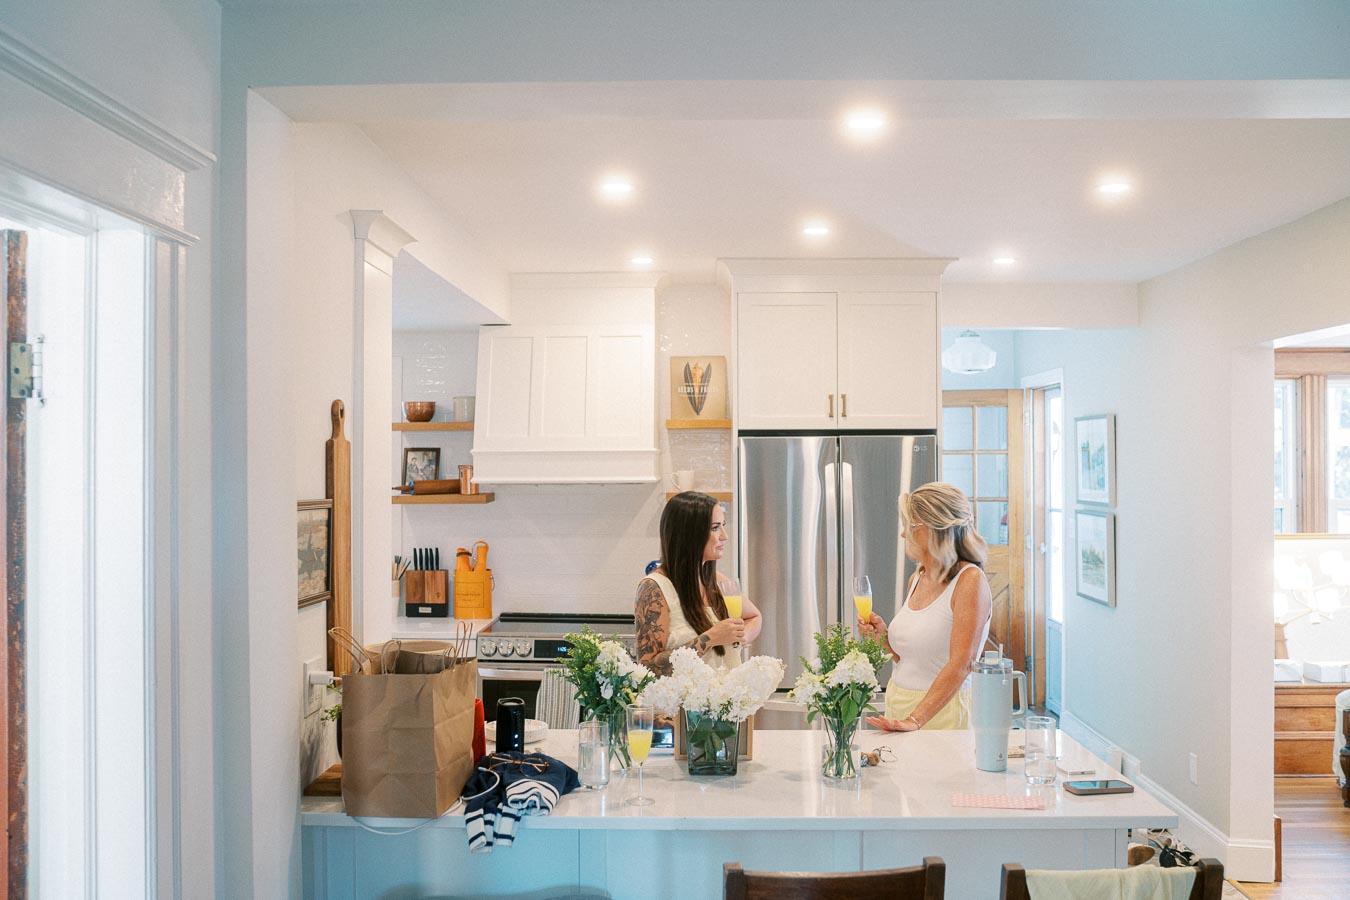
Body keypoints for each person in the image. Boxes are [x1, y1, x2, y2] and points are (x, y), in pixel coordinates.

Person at [859, 482, 993, 731]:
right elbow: (909, 660)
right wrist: (883, 639)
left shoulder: (969, 581)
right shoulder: (918, 577)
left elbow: (962, 664)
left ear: (935, 528)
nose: (903, 534)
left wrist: (915, 719)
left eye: (910, 525)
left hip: (943, 712)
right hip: (900, 705)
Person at [635, 491, 762, 675]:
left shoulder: (718, 581)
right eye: (715, 527)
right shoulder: (654, 588)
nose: (724, 536)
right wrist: (712, 638)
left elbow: (754, 616)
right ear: (689, 534)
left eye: (723, 526)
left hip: (726, 701)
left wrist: (738, 637)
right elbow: (647, 669)